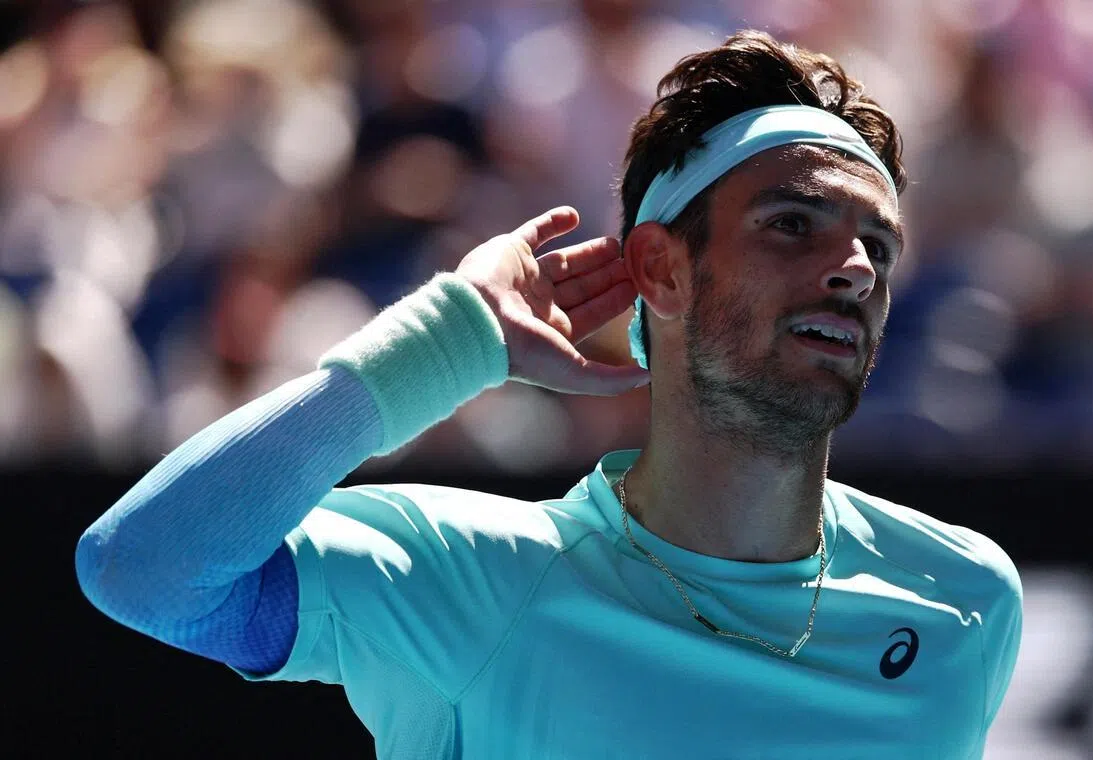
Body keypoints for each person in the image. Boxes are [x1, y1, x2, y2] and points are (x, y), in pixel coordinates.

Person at [76, 30, 1022, 759]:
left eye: (880, 246)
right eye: (792, 224)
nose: (855, 267)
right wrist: (443, 346)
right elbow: (144, 570)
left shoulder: (967, 603)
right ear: (662, 269)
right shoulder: (472, 579)